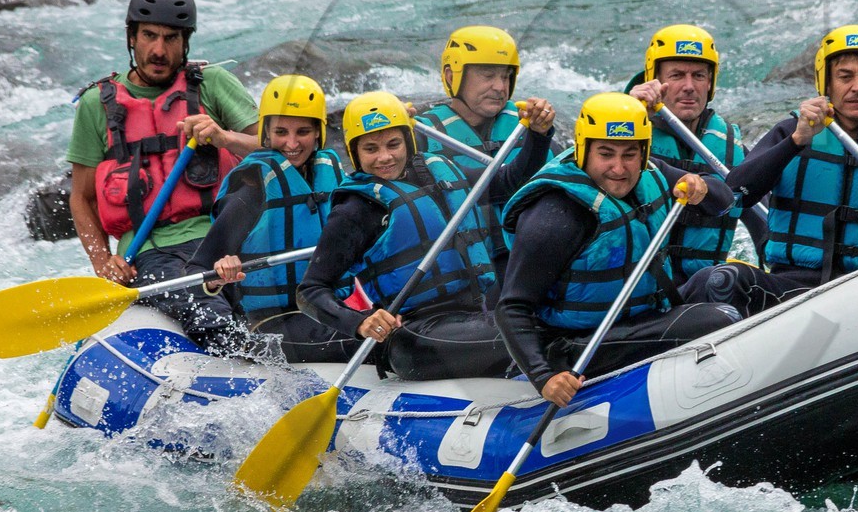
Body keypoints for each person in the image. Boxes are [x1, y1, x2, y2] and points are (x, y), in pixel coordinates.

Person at [497, 92, 740, 407]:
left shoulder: (651, 172)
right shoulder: (556, 216)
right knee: (720, 319)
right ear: (583, 151)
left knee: (731, 281)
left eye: (629, 154)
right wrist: (544, 378)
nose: (618, 168)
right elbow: (512, 307)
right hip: (576, 345)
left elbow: (724, 200)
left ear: (644, 151)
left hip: (639, 317)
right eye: (606, 154)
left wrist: (703, 187)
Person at [297, 91, 555, 380]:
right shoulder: (356, 209)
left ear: (407, 141)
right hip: (417, 337)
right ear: (354, 153)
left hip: (476, 314)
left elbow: (509, 182)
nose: (385, 157)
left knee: (550, 314)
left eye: (393, 144)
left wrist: (539, 135)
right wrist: (360, 321)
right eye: (371, 149)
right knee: (533, 332)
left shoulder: (439, 170)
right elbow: (310, 291)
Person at [691, 25, 858, 316]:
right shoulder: (791, 132)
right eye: (845, 76)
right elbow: (735, 194)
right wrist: (795, 142)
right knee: (721, 280)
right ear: (826, 84)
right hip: (794, 284)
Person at [65, 0, 261, 352]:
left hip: (226, 235)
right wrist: (103, 261)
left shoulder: (212, 84)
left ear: (185, 42)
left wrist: (224, 137)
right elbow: (82, 197)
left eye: (171, 38)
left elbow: (277, 146)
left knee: (270, 302)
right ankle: (255, 378)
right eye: (149, 36)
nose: (159, 50)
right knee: (208, 312)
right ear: (131, 38)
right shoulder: (97, 104)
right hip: (152, 252)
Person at [188, 75, 359, 363]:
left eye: (303, 131)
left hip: (328, 307)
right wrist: (218, 275)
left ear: (318, 132)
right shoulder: (253, 189)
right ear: (266, 133)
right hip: (270, 324)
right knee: (369, 336)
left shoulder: (332, 173)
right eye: (281, 132)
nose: (291, 143)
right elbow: (197, 270)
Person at [412, 25, 558, 275]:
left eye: (505, 76)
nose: (500, 87)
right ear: (451, 76)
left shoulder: (530, 126)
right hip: (468, 271)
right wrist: (395, 129)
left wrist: (540, 134)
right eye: (488, 75)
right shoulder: (421, 135)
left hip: (528, 264)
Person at [627, 24, 764, 278]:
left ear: (710, 83)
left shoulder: (731, 150)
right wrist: (629, 114)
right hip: (638, 289)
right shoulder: (621, 141)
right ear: (654, 80)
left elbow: (765, 227)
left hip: (701, 288)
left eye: (698, 76)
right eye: (677, 75)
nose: (689, 86)